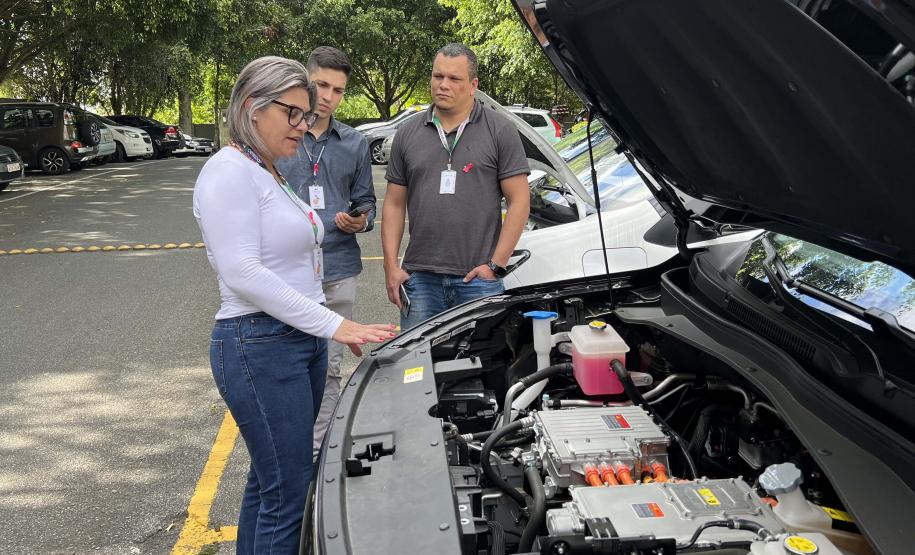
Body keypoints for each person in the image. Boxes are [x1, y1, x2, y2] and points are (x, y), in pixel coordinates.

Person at [192, 56, 394, 555]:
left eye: (308, 116)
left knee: (270, 481)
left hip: (292, 341)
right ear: (252, 107)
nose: (304, 127)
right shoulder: (228, 171)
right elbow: (242, 271)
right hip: (258, 344)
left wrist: (326, 328)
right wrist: (337, 324)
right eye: (294, 114)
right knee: (289, 490)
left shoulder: (267, 171)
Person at [382, 43, 531, 330]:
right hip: (419, 278)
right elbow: (394, 203)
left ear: (473, 85)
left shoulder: (500, 130)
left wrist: (496, 266)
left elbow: (519, 201)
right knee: (418, 370)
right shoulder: (408, 133)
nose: (443, 85)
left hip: (477, 280)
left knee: (479, 366)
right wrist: (390, 266)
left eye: (454, 79)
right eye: (438, 77)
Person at [276, 46, 375, 459]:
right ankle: (290, 449)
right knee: (289, 366)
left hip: (338, 268)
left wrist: (360, 221)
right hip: (288, 272)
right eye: (321, 85)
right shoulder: (280, 135)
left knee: (330, 367)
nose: (329, 96)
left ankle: (318, 454)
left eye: (338, 89)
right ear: (306, 81)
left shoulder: (355, 143)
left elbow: (366, 202)